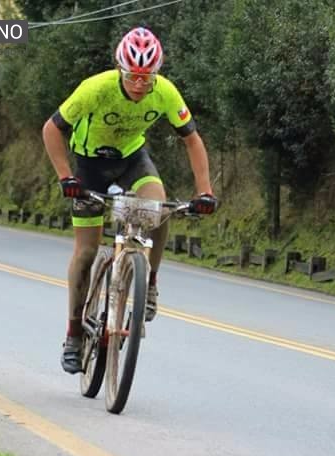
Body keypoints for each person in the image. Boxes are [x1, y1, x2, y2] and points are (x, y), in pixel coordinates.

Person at [42, 27, 218, 374]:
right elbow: (52, 129)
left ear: (157, 75)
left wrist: (205, 191)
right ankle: (74, 335)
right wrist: (66, 178)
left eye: (147, 78)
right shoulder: (96, 88)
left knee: (159, 207)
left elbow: (192, 140)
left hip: (132, 159)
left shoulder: (165, 92)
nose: (139, 84)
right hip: (90, 164)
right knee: (87, 253)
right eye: (133, 77)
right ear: (120, 70)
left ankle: (149, 280)